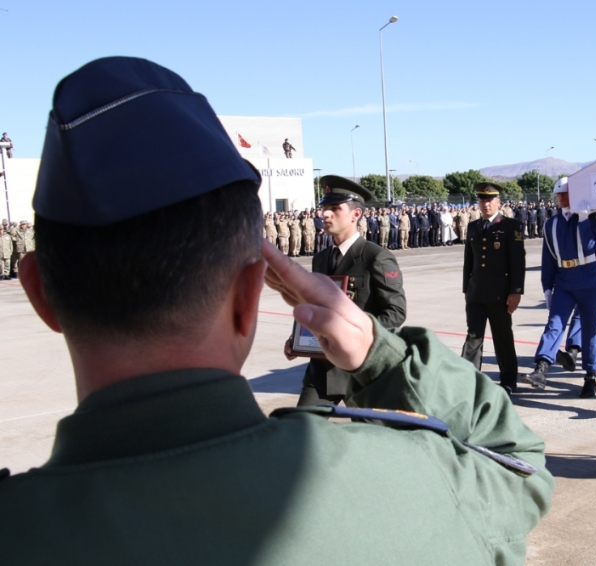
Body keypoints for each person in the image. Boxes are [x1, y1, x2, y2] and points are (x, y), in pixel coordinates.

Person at [0, 57, 553, 565]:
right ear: (249, 294)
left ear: (41, 294)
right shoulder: (411, 479)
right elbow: (518, 469)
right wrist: (380, 359)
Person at [290, 175, 407, 406]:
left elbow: (395, 312)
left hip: (363, 369)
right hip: (323, 369)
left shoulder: (376, 257)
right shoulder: (321, 259)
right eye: (324, 207)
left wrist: (356, 335)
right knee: (303, 430)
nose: (325, 214)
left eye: (335, 208)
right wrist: (298, 339)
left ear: (356, 214)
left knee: (368, 439)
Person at [523, 178, 596, 396]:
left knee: (590, 330)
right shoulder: (551, 224)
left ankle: (590, 377)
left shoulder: (591, 219)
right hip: (564, 281)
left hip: (589, 280)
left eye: (565, 194)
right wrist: (547, 287)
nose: (561, 199)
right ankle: (541, 368)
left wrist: (585, 220)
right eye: (558, 195)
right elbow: (548, 257)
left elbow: (592, 246)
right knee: (554, 324)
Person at [461, 182, 526, 395]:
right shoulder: (473, 227)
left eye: (489, 200)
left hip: (500, 294)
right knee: (473, 337)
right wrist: (466, 289)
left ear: (498, 202)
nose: (485, 204)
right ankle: (468, 382)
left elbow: (517, 261)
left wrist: (516, 291)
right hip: (476, 292)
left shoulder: (510, 226)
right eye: (482, 200)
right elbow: (468, 261)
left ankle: (508, 381)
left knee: (502, 337)